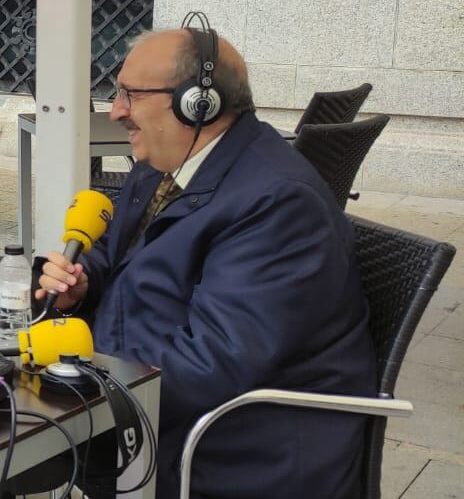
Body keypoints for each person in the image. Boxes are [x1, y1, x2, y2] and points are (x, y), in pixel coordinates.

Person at [33, 26, 376, 498]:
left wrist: (78, 361)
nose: (116, 112)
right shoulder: (161, 164)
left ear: (197, 103)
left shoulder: (276, 204)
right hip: (157, 405)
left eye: (131, 95)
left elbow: (210, 368)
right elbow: (112, 255)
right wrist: (82, 284)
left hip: (231, 449)